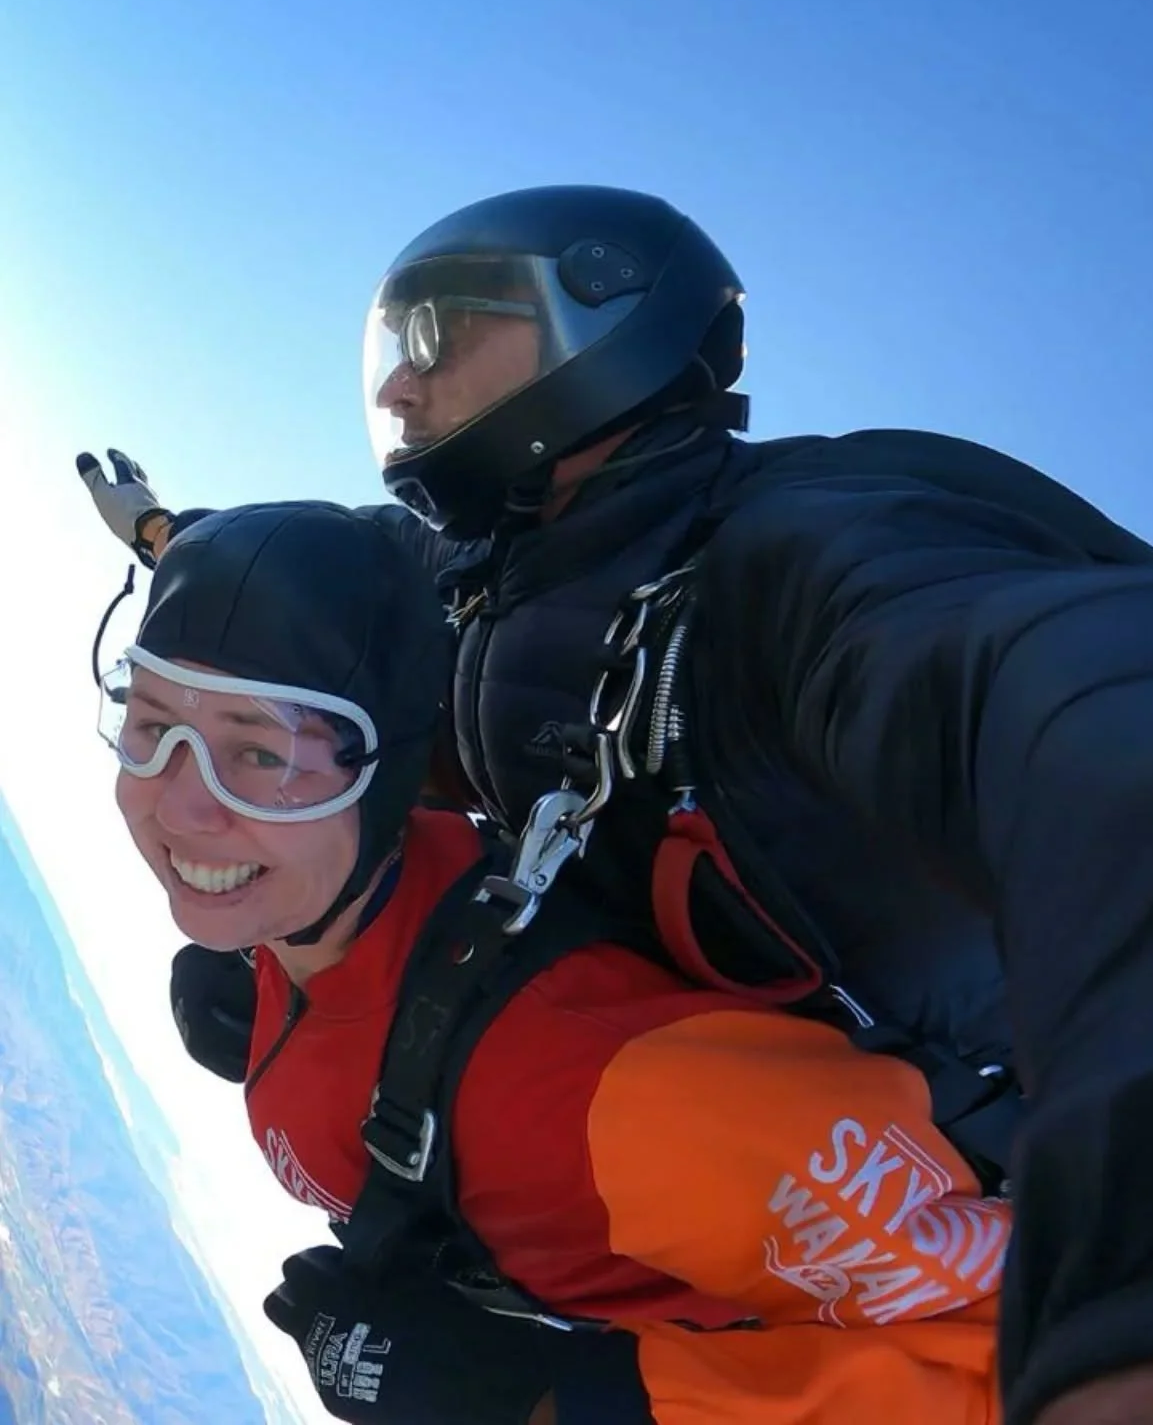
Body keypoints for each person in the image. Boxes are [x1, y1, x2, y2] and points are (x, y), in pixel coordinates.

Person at [81, 182, 1153, 1425]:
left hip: (882, 1206)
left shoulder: (819, 557)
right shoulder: (517, 573)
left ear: (609, 333)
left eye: (452, 331)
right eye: (404, 342)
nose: (413, 373)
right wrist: (173, 540)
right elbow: (360, 584)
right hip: (641, 1063)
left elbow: (1098, 710)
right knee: (237, 993)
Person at [99, 497, 1018, 1425]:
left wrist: (540, 1404)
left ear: (390, 770)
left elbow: (1016, 1343)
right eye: (150, 723)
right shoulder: (311, 907)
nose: (182, 806)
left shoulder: (620, 1097)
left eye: (258, 753)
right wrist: (269, 994)